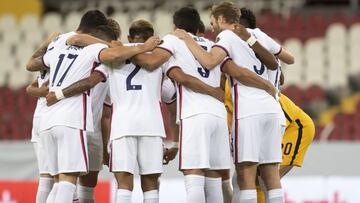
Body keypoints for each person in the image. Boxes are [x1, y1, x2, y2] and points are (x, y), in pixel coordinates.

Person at [26, 17, 158, 203]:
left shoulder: (59, 48)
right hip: (72, 120)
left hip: (54, 119)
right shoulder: (98, 52)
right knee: (65, 179)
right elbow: (91, 78)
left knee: (56, 180)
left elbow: (31, 66)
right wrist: (140, 47)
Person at [172, 2, 285, 202]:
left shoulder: (225, 37)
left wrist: (188, 39)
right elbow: (281, 62)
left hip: (250, 111)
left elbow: (209, 62)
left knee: (246, 174)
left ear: (222, 19)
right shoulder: (256, 35)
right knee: (271, 175)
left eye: (213, 22)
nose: (211, 27)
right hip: (273, 109)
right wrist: (268, 85)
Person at [236, 7, 315, 202]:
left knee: (261, 180)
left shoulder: (247, 44)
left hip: (293, 124)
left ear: (239, 26)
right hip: (266, 111)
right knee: (249, 180)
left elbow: (280, 78)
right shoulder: (260, 45)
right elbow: (282, 77)